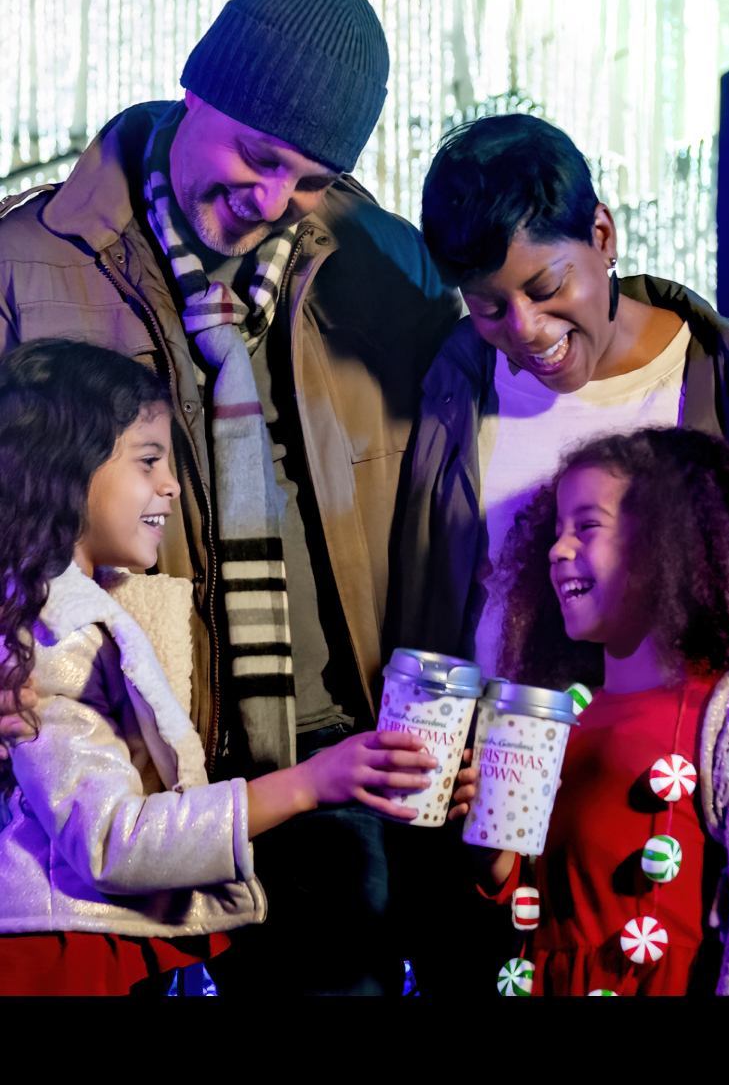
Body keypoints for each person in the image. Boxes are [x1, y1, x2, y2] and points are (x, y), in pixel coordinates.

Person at [0, 0, 461, 994]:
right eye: (257, 154)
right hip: (134, 782)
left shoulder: (385, 268)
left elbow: (475, 484)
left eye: (305, 178)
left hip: (346, 770)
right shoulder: (25, 265)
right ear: (195, 87)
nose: (270, 199)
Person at [0, 339, 436, 997]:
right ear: (68, 471)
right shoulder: (58, 636)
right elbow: (113, 841)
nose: (171, 484)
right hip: (63, 957)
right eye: (148, 462)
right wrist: (310, 782)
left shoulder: (85, 609)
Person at [393, 114, 729, 672]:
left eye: (547, 288)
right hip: (493, 756)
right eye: (489, 307)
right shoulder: (457, 388)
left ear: (602, 236)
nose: (525, 327)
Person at [450, 427, 729, 996]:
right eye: (557, 530)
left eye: (586, 526)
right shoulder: (560, 717)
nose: (557, 550)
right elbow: (524, 887)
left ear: (668, 545)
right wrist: (490, 844)